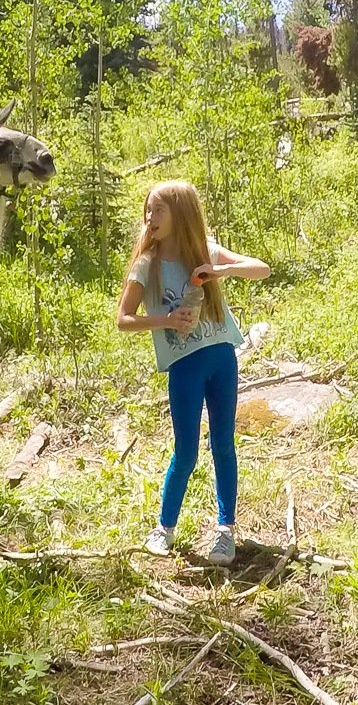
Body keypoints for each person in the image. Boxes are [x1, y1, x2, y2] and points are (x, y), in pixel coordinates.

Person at [116, 180, 269, 566]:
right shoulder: (146, 264)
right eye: (148, 210)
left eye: (159, 210)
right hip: (184, 366)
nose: (150, 218)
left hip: (221, 358)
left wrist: (219, 271)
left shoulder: (204, 251)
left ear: (180, 214)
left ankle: (225, 531)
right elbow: (123, 319)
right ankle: (164, 528)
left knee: (223, 444)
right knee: (185, 451)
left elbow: (262, 269)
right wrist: (166, 319)